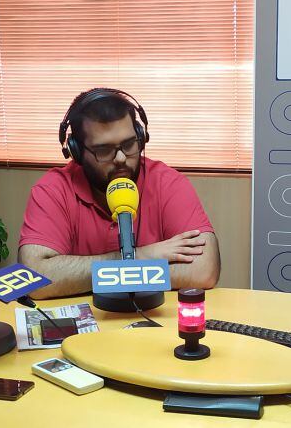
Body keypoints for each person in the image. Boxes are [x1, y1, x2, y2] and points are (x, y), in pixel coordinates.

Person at [18, 88, 220, 297]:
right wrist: (140, 256)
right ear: (77, 151)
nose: (121, 158)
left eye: (129, 144)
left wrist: (111, 271)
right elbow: (34, 280)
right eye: (104, 150)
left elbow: (204, 270)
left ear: (140, 137)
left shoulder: (167, 183)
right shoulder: (53, 190)